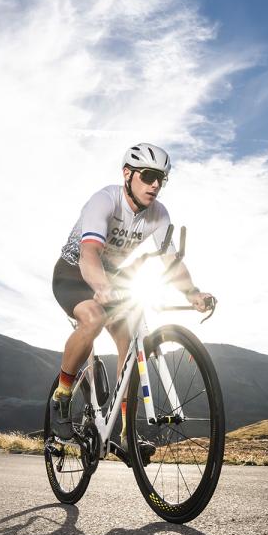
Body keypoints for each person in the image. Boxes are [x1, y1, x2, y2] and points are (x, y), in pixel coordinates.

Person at [50, 143, 215, 441]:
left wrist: (192, 293)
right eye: (148, 175)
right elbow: (89, 255)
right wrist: (101, 288)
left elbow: (171, 261)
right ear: (127, 174)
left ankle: (126, 431)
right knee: (93, 318)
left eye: (161, 179)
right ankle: (62, 393)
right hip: (74, 271)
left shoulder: (159, 214)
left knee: (129, 343)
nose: (155, 184)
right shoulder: (104, 201)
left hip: (112, 277)